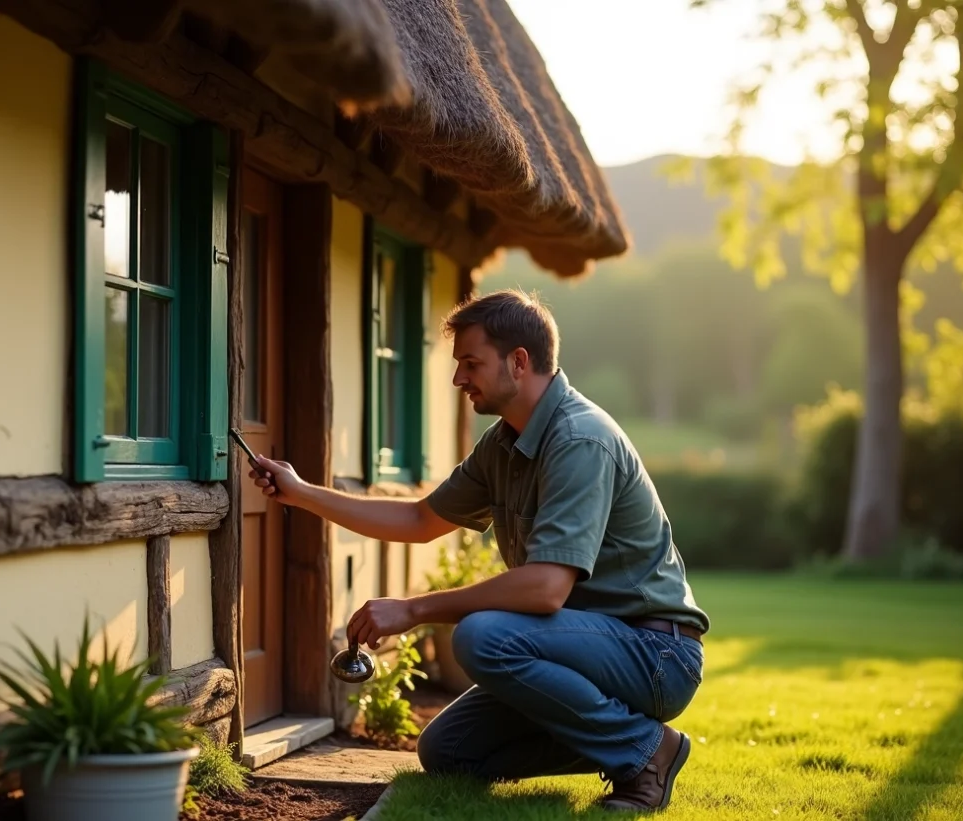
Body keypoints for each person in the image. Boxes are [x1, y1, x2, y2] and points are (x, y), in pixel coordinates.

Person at [246, 288, 709, 813]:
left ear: (519, 362)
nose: (458, 379)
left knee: (483, 636)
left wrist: (414, 610)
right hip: (582, 651)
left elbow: (545, 589)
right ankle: (627, 740)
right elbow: (421, 519)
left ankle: (647, 754)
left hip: (654, 654)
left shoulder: (580, 440)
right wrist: (303, 493)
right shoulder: (504, 444)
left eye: (471, 363)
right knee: (448, 750)